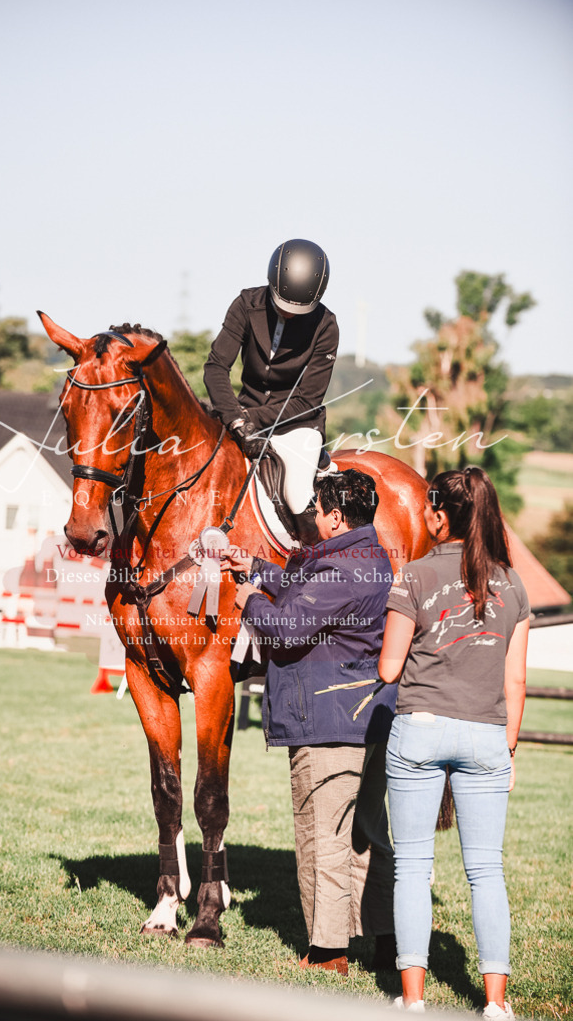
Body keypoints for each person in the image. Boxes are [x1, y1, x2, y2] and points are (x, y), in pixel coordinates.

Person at [223, 470, 398, 975]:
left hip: (326, 721)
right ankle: (384, 939)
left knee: (322, 835)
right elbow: (310, 592)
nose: (313, 518)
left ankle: (328, 953)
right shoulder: (368, 556)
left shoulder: (339, 569)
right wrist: (258, 568)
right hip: (367, 719)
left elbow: (284, 628)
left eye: (318, 511)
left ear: (337, 516)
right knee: (367, 832)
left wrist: (248, 599)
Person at [378, 467, 529, 1018]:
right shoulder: (513, 584)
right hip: (488, 733)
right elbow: (515, 681)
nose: (422, 514)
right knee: (487, 871)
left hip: (419, 728)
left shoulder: (413, 575)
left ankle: (413, 1001)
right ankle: (495, 1005)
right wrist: (507, 750)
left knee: (413, 866)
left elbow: (390, 668)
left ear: (441, 514)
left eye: (427, 506)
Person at [204, 238, 338, 543]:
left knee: (297, 494)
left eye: (299, 310)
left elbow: (307, 399)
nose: (289, 314)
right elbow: (215, 367)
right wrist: (235, 420)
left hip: (297, 424)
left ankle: (313, 573)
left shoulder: (327, 326)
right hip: (239, 417)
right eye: (283, 304)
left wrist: (249, 418)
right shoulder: (246, 304)